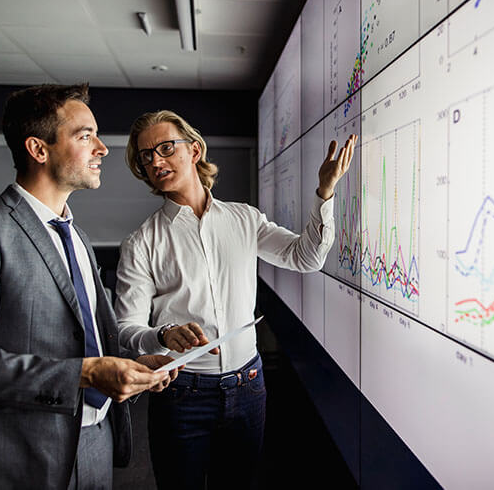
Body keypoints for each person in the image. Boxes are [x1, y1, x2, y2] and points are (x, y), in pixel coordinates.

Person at [0, 84, 212, 489]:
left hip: (94, 445)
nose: (102, 149)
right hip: (15, 457)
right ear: (38, 149)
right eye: (85, 135)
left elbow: (89, 338)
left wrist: (133, 363)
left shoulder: (75, 236)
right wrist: (84, 374)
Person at [115, 109, 357, 489]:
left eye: (165, 148)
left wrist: (324, 192)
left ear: (194, 150)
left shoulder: (244, 219)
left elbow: (306, 257)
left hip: (248, 387)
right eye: (146, 156)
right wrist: (163, 335)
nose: (156, 161)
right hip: (181, 396)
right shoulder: (142, 242)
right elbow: (125, 328)